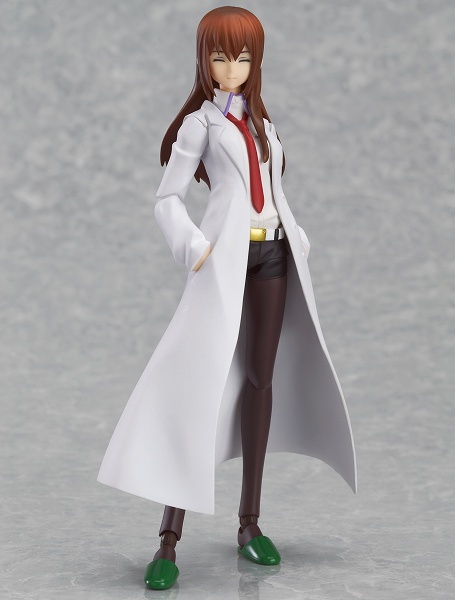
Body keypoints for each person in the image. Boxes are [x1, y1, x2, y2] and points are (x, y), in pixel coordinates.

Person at [98, 6, 357, 590]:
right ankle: (168, 539)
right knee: (202, 383)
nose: (232, 68)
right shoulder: (200, 125)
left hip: (273, 257)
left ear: (255, 61)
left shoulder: (265, 124)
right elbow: (167, 198)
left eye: (242, 57)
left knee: (261, 380)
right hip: (224, 262)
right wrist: (193, 246)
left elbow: (272, 191)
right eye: (221, 57)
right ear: (205, 61)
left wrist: (296, 233)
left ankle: (249, 522)